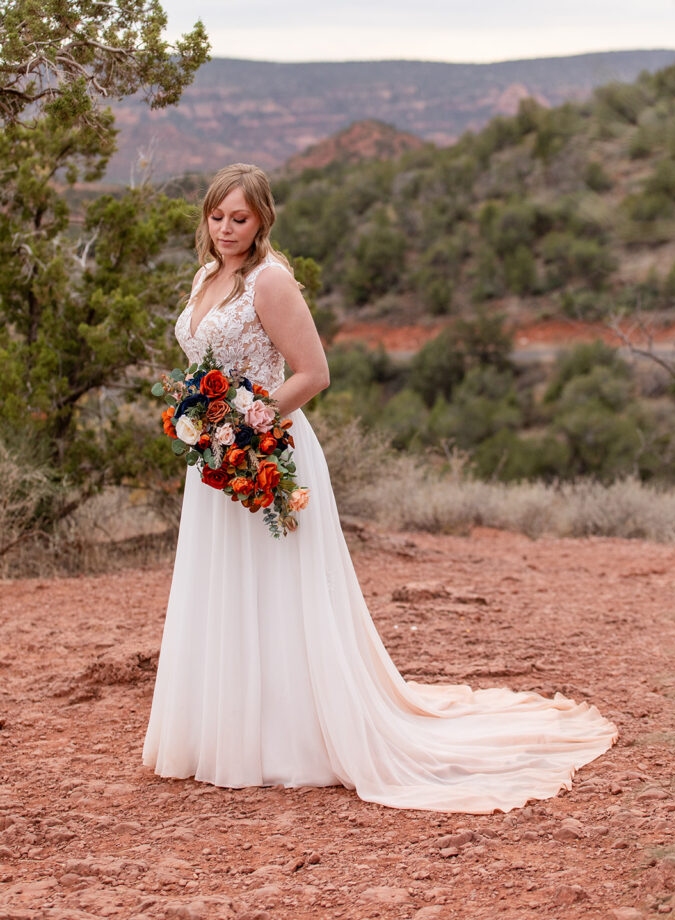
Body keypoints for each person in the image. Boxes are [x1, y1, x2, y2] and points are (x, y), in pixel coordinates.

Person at [141, 163, 618, 813]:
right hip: (214, 456)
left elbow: (313, 373)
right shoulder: (205, 277)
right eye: (217, 216)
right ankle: (221, 731)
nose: (226, 230)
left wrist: (245, 427)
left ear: (263, 221)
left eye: (240, 218)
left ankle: (286, 742)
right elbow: (204, 365)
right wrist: (202, 422)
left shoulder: (269, 282)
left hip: (268, 451)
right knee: (223, 586)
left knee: (278, 588)